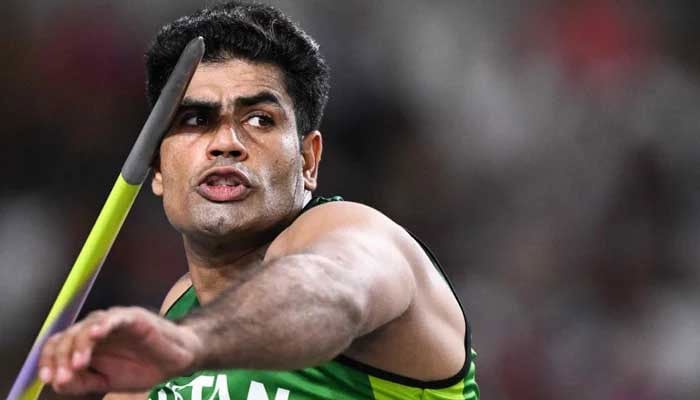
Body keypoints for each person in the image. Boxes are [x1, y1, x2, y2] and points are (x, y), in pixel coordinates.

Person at [37, 2, 479, 399]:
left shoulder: (360, 236)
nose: (226, 143)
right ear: (157, 170)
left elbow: (334, 290)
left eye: (258, 119)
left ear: (308, 159)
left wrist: (189, 345)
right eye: (195, 119)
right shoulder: (177, 315)